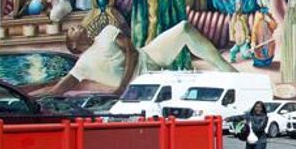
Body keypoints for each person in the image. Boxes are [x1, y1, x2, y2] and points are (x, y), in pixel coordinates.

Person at [45, 20, 235, 96]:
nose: (76, 26)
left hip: (150, 57)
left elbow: (133, 52)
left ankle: (228, 70)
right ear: (73, 46)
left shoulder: (106, 32)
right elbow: (60, 87)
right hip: (142, 83)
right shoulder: (82, 65)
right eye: (72, 29)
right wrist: (32, 98)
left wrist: (122, 86)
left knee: (184, 28)